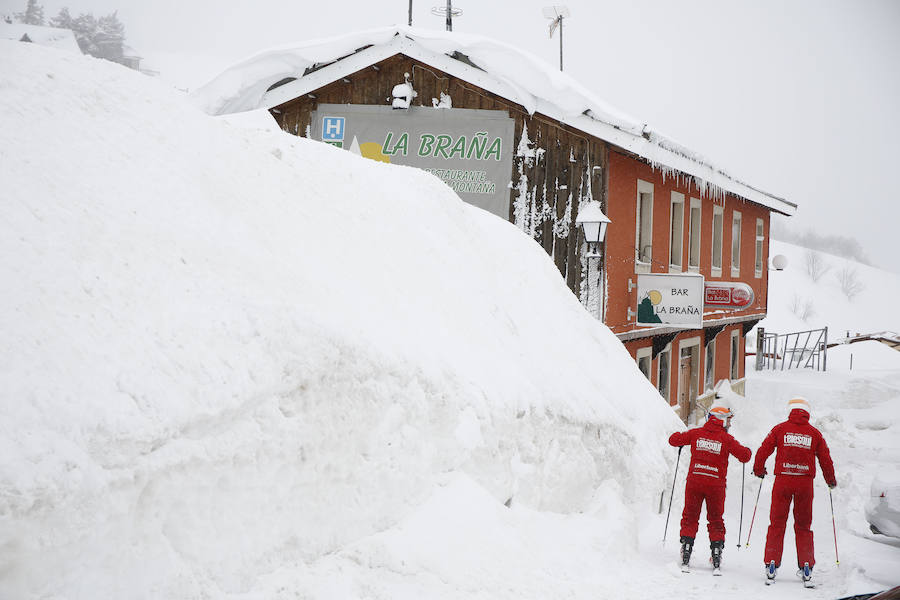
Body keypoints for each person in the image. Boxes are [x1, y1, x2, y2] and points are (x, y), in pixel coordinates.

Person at [753, 396, 836, 586]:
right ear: (807, 412)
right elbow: (825, 459)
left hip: (783, 481)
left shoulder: (779, 429)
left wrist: (759, 469)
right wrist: (830, 480)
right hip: (804, 485)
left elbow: (763, 450)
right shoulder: (814, 434)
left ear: (791, 411)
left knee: (777, 523)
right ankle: (806, 565)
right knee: (803, 525)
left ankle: (771, 563)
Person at [668, 402, 752, 572]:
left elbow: (674, 440)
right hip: (716, 485)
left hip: (695, 482)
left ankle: (686, 550)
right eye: (728, 421)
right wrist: (748, 450)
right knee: (715, 520)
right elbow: (744, 456)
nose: (729, 424)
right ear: (720, 420)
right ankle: (716, 552)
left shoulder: (696, 433)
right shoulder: (726, 439)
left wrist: (679, 434)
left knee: (690, 517)